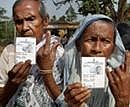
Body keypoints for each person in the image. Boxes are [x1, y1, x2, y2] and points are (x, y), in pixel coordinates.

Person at [0, 0, 64, 107]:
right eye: (19, 22)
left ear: (45, 21)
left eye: (31, 19)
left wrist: (46, 71)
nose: (24, 27)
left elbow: (66, 102)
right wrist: (12, 84)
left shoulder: (60, 53)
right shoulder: (9, 52)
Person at [63, 14, 130, 107]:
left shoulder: (122, 82)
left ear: (113, 49)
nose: (97, 49)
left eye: (106, 41)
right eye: (91, 40)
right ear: (78, 45)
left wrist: (123, 102)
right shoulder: (66, 74)